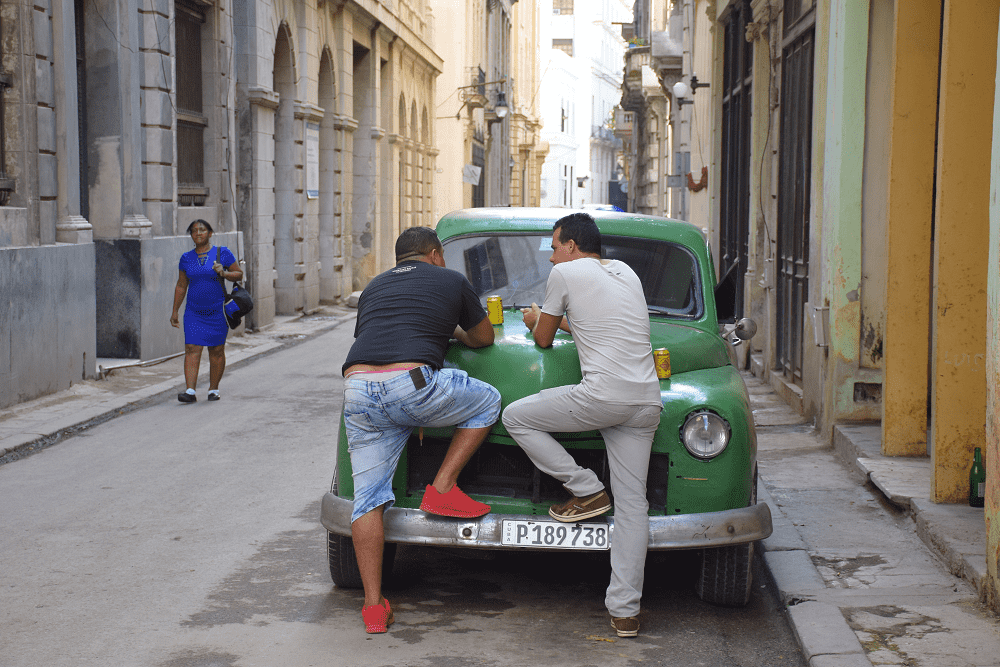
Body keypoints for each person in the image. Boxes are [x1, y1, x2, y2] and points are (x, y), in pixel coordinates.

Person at [501, 212, 662, 638]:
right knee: (633, 506)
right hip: (645, 401)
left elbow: (543, 339)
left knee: (515, 416)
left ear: (571, 246)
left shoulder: (566, 273)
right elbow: (598, 323)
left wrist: (537, 318)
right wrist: (556, 319)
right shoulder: (626, 272)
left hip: (601, 398)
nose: (552, 258)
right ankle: (625, 612)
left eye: (554, 248)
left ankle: (586, 489)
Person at [341, 226, 501, 634]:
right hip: (410, 383)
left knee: (367, 501)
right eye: (441, 256)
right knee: (487, 400)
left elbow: (382, 338)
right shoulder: (450, 279)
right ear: (433, 254)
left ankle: (374, 608)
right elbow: (484, 337)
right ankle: (443, 485)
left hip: (356, 387)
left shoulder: (375, 286)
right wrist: (455, 332)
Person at [169, 219, 243, 403]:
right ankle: (190, 391)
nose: (198, 233)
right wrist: (175, 311)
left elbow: (239, 274)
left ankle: (213, 389)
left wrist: (224, 273)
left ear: (210, 233)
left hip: (217, 310)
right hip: (194, 311)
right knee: (192, 348)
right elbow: (181, 285)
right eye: (194, 231)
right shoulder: (186, 258)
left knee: (216, 350)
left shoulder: (222, 253)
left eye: (202, 230)